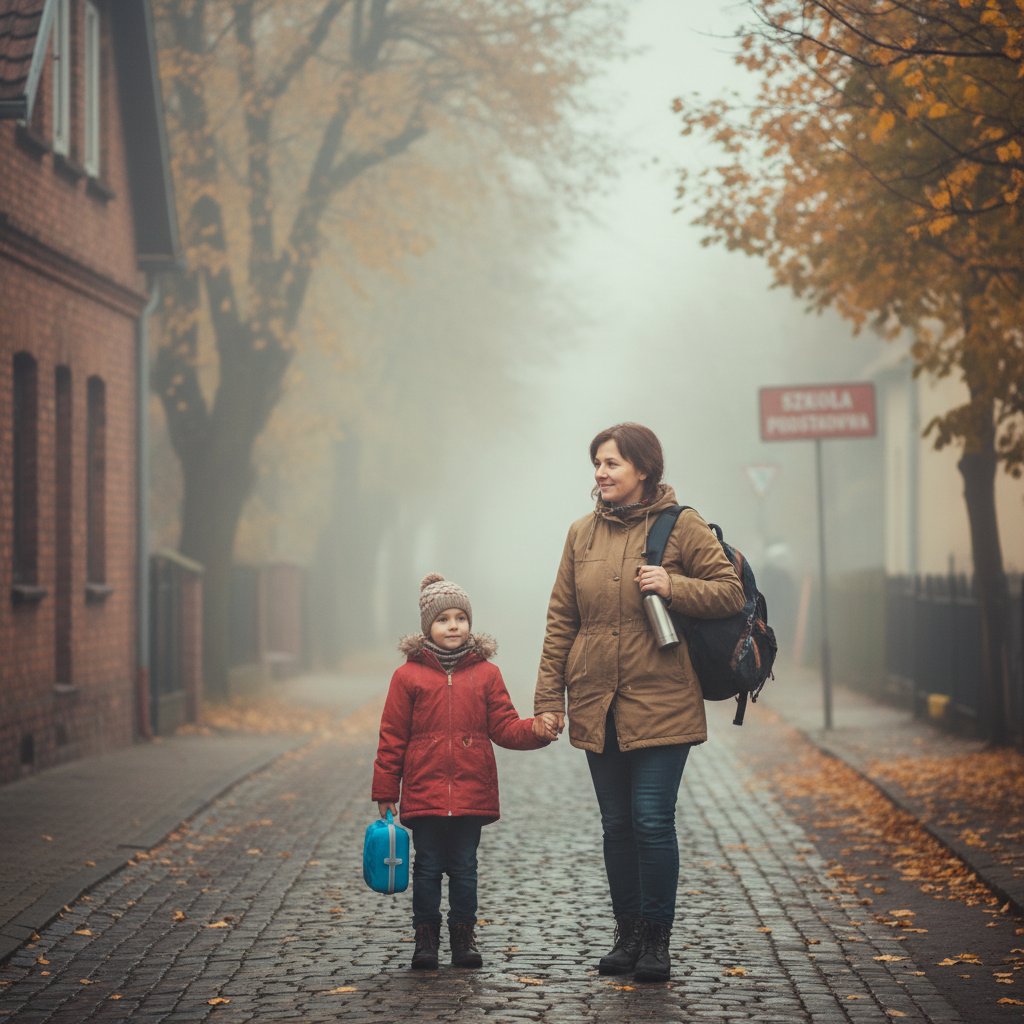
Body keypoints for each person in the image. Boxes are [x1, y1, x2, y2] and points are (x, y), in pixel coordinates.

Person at [533, 423, 745, 982]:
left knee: (651, 820)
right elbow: (562, 621)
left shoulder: (682, 524)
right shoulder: (580, 534)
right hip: (596, 700)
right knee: (617, 825)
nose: (600, 473)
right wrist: (549, 699)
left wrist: (675, 586)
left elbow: (730, 592)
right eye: (597, 463)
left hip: (662, 699)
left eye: (612, 463)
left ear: (643, 469)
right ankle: (626, 938)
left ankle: (656, 941)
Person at [372, 573, 559, 971]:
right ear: (428, 626)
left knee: (464, 868)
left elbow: (504, 726)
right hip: (424, 791)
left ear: (470, 622)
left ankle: (463, 939)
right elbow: (392, 736)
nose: (453, 626)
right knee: (426, 868)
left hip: (472, 792)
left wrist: (536, 730)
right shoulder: (407, 677)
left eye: (460, 618)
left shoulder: (487, 674)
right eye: (443, 619)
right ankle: (425, 941)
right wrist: (386, 789)